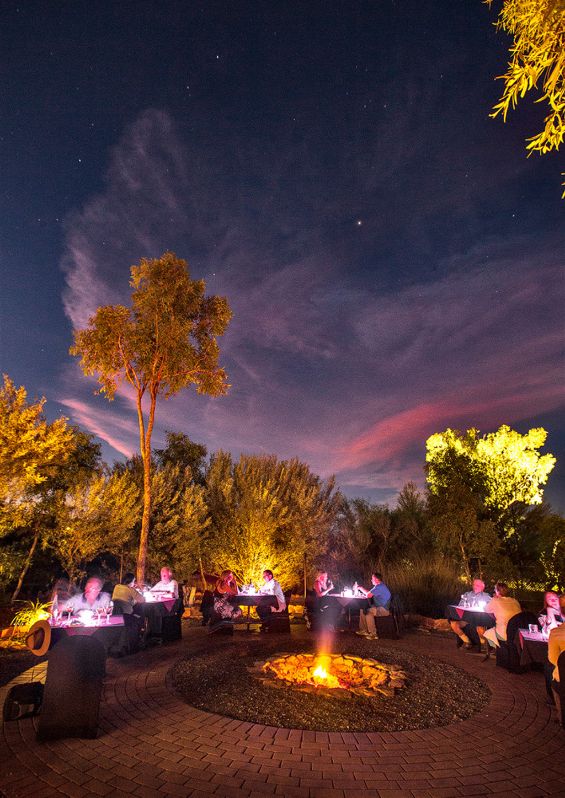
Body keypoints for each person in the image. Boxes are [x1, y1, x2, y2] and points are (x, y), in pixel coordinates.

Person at [449, 578, 491, 650]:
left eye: (477, 585)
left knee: (480, 627)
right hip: (467, 618)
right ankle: (467, 641)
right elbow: (460, 606)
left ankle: (483, 643)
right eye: (474, 584)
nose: (475, 586)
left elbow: (491, 607)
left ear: (482, 587)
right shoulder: (467, 594)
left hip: (479, 618)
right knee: (454, 624)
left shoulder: (486, 596)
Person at [482, 582, 521, 652]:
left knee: (488, 633)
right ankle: (500, 649)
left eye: (495, 590)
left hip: (504, 634)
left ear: (497, 591)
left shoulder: (495, 600)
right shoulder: (515, 601)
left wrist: (494, 598)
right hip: (516, 633)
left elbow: (485, 609)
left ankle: (496, 649)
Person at [354, 572, 391, 640]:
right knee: (363, 609)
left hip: (384, 609)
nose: (371, 580)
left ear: (376, 579)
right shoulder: (379, 586)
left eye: (372, 579)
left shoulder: (379, 587)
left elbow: (368, 595)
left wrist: (360, 588)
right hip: (380, 607)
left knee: (368, 612)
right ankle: (364, 630)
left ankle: (373, 634)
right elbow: (369, 593)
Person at [548, 596, 565, 725]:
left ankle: (561, 717)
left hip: (563, 679)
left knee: (554, 676)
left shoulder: (556, 633)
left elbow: (554, 660)